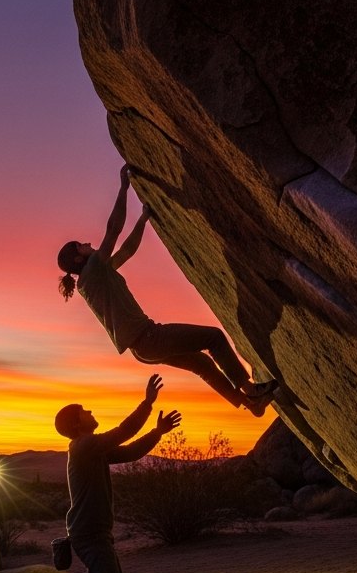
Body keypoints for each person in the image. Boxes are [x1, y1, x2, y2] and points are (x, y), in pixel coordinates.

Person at [58, 165, 278, 416]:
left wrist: (143, 220)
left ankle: (251, 404)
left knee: (202, 364)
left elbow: (126, 251)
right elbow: (113, 230)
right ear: (78, 258)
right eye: (81, 245)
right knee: (214, 338)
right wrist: (123, 187)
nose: (87, 243)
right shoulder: (93, 269)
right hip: (149, 338)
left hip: (143, 349)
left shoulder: (96, 276)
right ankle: (249, 390)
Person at [56, 373, 181, 573]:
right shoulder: (83, 446)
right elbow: (122, 432)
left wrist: (156, 433)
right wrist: (147, 404)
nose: (90, 411)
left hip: (94, 533)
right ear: (77, 424)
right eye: (84, 411)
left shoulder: (92, 450)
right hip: (90, 535)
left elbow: (129, 452)